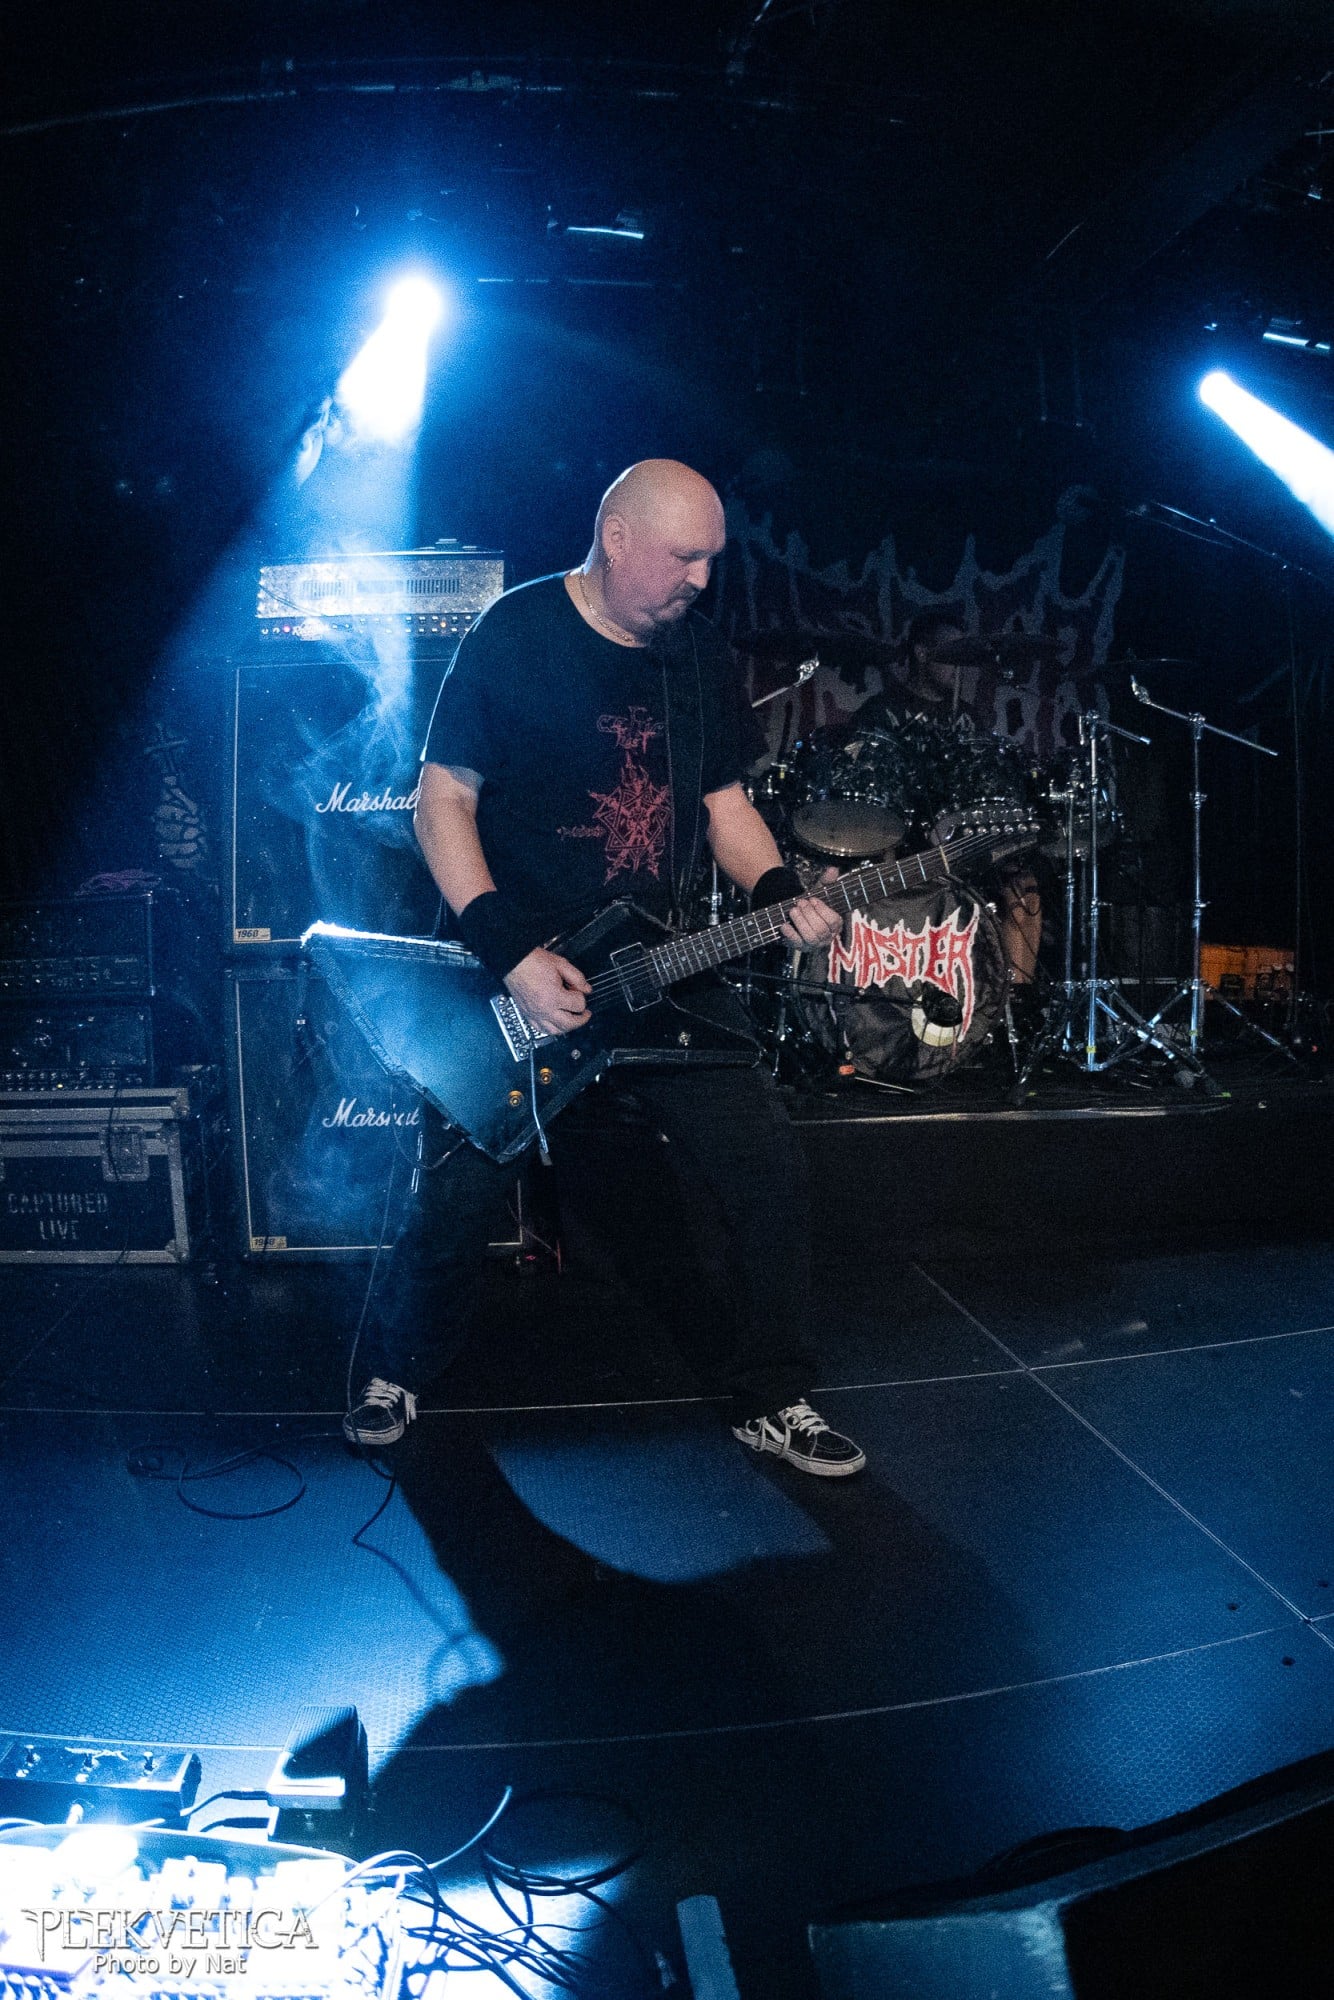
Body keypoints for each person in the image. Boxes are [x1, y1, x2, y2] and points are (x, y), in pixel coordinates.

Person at [343, 459, 867, 1477]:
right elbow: (442, 800)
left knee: (765, 1167)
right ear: (615, 538)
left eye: (712, 559)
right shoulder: (516, 634)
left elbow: (722, 807)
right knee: (452, 1202)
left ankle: (772, 1393)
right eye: (684, 557)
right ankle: (394, 1368)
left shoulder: (696, 654)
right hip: (517, 968)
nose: (701, 580)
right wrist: (510, 953)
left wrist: (777, 894)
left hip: (656, 963)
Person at [857, 611, 1043, 991]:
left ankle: (1017, 1005)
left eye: (964, 656)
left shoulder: (968, 719)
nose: (959, 666)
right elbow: (870, 796)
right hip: (903, 845)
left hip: (963, 844)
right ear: (922, 653)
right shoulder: (881, 712)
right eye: (950, 654)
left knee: (1025, 888)